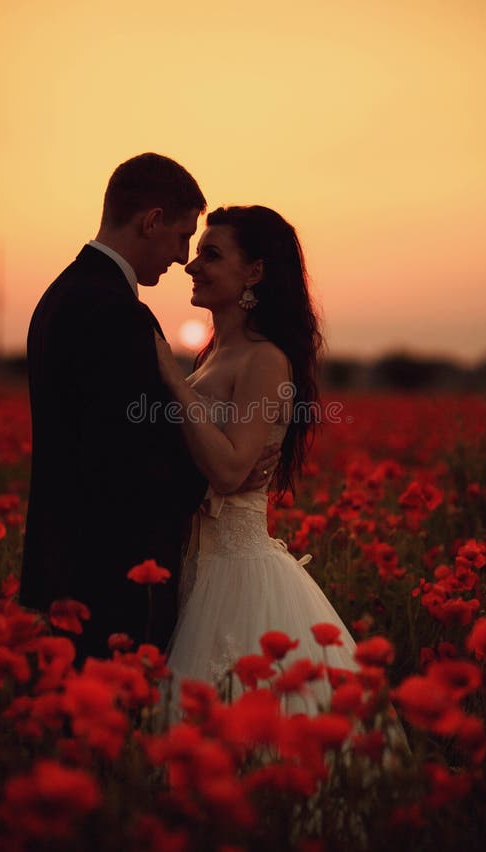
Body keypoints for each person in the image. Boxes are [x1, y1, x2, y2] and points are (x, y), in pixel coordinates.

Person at [19, 155, 278, 664]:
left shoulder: (61, 294)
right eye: (184, 237)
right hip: (110, 579)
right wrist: (222, 477)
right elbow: (127, 457)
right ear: (152, 220)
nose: (184, 258)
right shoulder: (116, 313)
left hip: (67, 568)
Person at [153, 205, 364, 713]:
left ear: (255, 273)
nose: (192, 265)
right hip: (194, 563)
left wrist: (172, 382)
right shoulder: (212, 354)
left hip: (236, 573)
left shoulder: (264, 359)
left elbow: (229, 472)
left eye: (211, 254)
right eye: (197, 251)